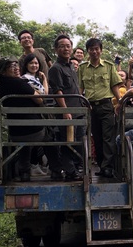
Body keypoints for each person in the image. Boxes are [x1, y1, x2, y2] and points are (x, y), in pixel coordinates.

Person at [0, 56, 61, 181]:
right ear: (4, 71)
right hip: (34, 131)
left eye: (16, 65)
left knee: (25, 143)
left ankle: (24, 171)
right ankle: (56, 170)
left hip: (15, 132)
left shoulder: (0, 87)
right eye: (11, 67)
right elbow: (40, 99)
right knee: (49, 137)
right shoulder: (19, 83)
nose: (16, 68)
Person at [78, 38, 122, 178]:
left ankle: (108, 167)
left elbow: (114, 85)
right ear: (88, 51)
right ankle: (102, 165)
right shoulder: (82, 67)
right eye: (91, 49)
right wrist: (80, 102)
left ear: (101, 50)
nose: (94, 51)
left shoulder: (109, 66)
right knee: (96, 138)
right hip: (91, 107)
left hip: (106, 105)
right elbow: (80, 88)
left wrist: (120, 102)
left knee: (108, 137)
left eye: (97, 49)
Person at [48, 34, 85, 181]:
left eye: (68, 46)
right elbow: (58, 92)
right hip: (68, 113)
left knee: (78, 142)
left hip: (78, 112)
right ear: (56, 49)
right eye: (62, 46)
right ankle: (70, 172)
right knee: (67, 142)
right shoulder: (55, 69)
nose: (65, 49)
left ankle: (76, 169)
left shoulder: (71, 66)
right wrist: (65, 111)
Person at [21, 53, 50, 176]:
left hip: (37, 114)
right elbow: (44, 96)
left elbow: (44, 93)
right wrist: (44, 81)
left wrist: (44, 79)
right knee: (38, 138)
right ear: (26, 65)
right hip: (31, 115)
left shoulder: (35, 78)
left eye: (36, 63)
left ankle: (38, 164)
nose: (34, 65)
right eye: (31, 63)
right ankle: (34, 165)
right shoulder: (26, 79)